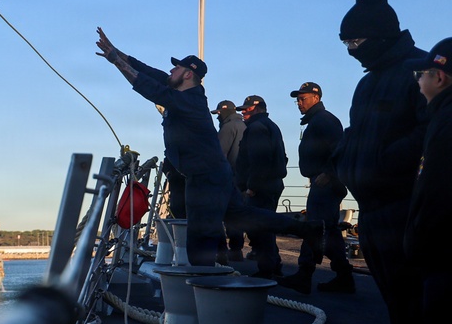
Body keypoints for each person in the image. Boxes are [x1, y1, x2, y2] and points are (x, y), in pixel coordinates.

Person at [94, 27, 324, 267]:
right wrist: (116, 53)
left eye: (177, 67)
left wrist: (115, 62)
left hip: (205, 180)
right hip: (216, 175)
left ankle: (201, 287)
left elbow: (149, 88)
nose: (171, 70)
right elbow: (150, 73)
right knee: (246, 217)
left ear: (187, 75)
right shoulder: (182, 93)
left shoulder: (189, 101)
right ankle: (308, 229)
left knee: (199, 243)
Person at [332, 0, 428, 324]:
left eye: (355, 42)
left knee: (420, 307)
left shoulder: (420, 71)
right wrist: (338, 163)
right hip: (374, 213)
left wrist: (387, 163)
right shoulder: (368, 82)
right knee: (398, 307)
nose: (352, 51)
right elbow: (359, 134)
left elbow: (433, 134)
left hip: (406, 212)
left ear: (379, 36)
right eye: (346, 44)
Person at [403, 37, 452, 324]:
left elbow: (438, 188)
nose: (418, 82)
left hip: (442, 252)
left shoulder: (446, 121)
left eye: (422, 75)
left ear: (439, 76)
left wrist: (418, 239)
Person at [278, 82, 355, 294]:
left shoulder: (324, 121)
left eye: (303, 98)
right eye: (298, 99)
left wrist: (328, 174)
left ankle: (304, 275)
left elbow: (341, 148)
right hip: (322, 183)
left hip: (325, 185)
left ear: (316, 98)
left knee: (314, 228)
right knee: (328, 231)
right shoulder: (317, 122)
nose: (299, 103)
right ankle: (344, 276)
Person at [232, 96, 288, 279]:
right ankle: (273, 264)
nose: (243, 112)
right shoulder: (270, 126)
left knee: (259, 228)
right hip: (271, 184)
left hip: (260, 187)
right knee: (266, 226)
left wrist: (252, 186)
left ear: (257, 109)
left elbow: (260, 159)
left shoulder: (256, 129)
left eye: (246, 109)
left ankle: (266, 270)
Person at [210, 100, 246, 262]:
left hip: (226, 178)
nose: (217, 117)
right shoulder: (244, 126)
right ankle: (237, 249)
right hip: (241, 177)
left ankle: (221, 251)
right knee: (235, 216)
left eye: (218, 114)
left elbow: (219, 155)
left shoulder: (228, 127)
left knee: (216, 213)